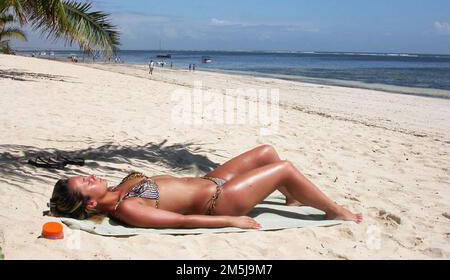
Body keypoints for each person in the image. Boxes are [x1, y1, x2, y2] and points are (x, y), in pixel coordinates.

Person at [48, 145, 362, 229]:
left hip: (210, 180)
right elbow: (182, 221)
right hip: (220, 200)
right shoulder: (127, 208)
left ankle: (293, 199)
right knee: (284, 168)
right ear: (90, 204)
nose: (91, 177)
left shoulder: (118, 188)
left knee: (266, 151)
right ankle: (335, 212)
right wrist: (230, 220)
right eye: (86, 183)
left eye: (84, 175)